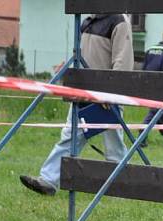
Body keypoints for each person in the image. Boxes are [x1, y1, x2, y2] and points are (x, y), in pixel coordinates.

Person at [19, 13, 133, 196]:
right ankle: (48, 181)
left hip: (106, 97)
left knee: (114, 146)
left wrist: (111, 94)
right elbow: (82, 55)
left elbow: (123, 60)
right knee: (69, 137)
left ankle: (121, 185)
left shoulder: (119, 20)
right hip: (82, 93)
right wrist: (69, 69)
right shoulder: (87, 21)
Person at [140, 28, 163, 148]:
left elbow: (144, 68)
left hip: (149, 84)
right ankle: (142, 133)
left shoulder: (150, 49)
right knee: (155, 112)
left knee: (161, 113)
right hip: (162, 86)